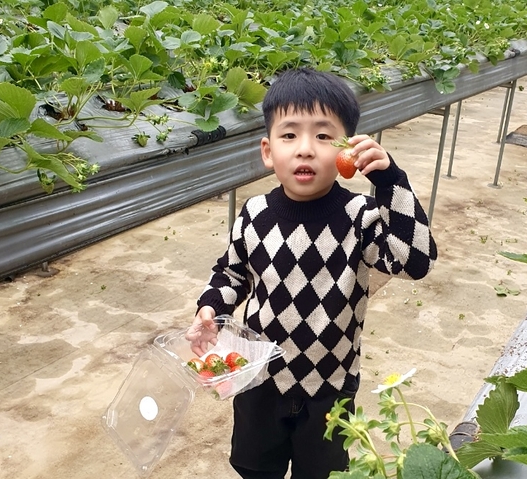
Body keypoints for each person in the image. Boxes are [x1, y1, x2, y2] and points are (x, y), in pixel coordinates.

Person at [185, 67, 437, 479]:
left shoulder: (360, 217)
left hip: (330, 383)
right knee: (255, 467)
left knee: (321, 472)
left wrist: (391, 181)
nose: (305, 149)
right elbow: (233, 273)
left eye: (323, 136)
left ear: (348, 150)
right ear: (268, 151)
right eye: (289, 135)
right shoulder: (255, 214)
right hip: (260, 379)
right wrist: (211, 308)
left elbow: (416, 261)